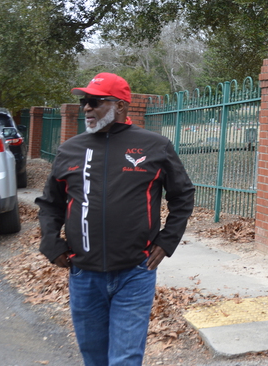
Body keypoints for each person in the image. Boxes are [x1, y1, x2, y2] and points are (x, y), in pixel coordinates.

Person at [36, 73, 195, 366]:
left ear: (120, 105)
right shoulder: (70, 149)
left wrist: (167, 240)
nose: (87, 107)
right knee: (94, 357)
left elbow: (182, 195)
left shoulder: (155, 146)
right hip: (84, 274)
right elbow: (50, 203)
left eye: (95, 101)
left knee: (125, 359)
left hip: (135, 272)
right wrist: (50, 242)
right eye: (84, 101)